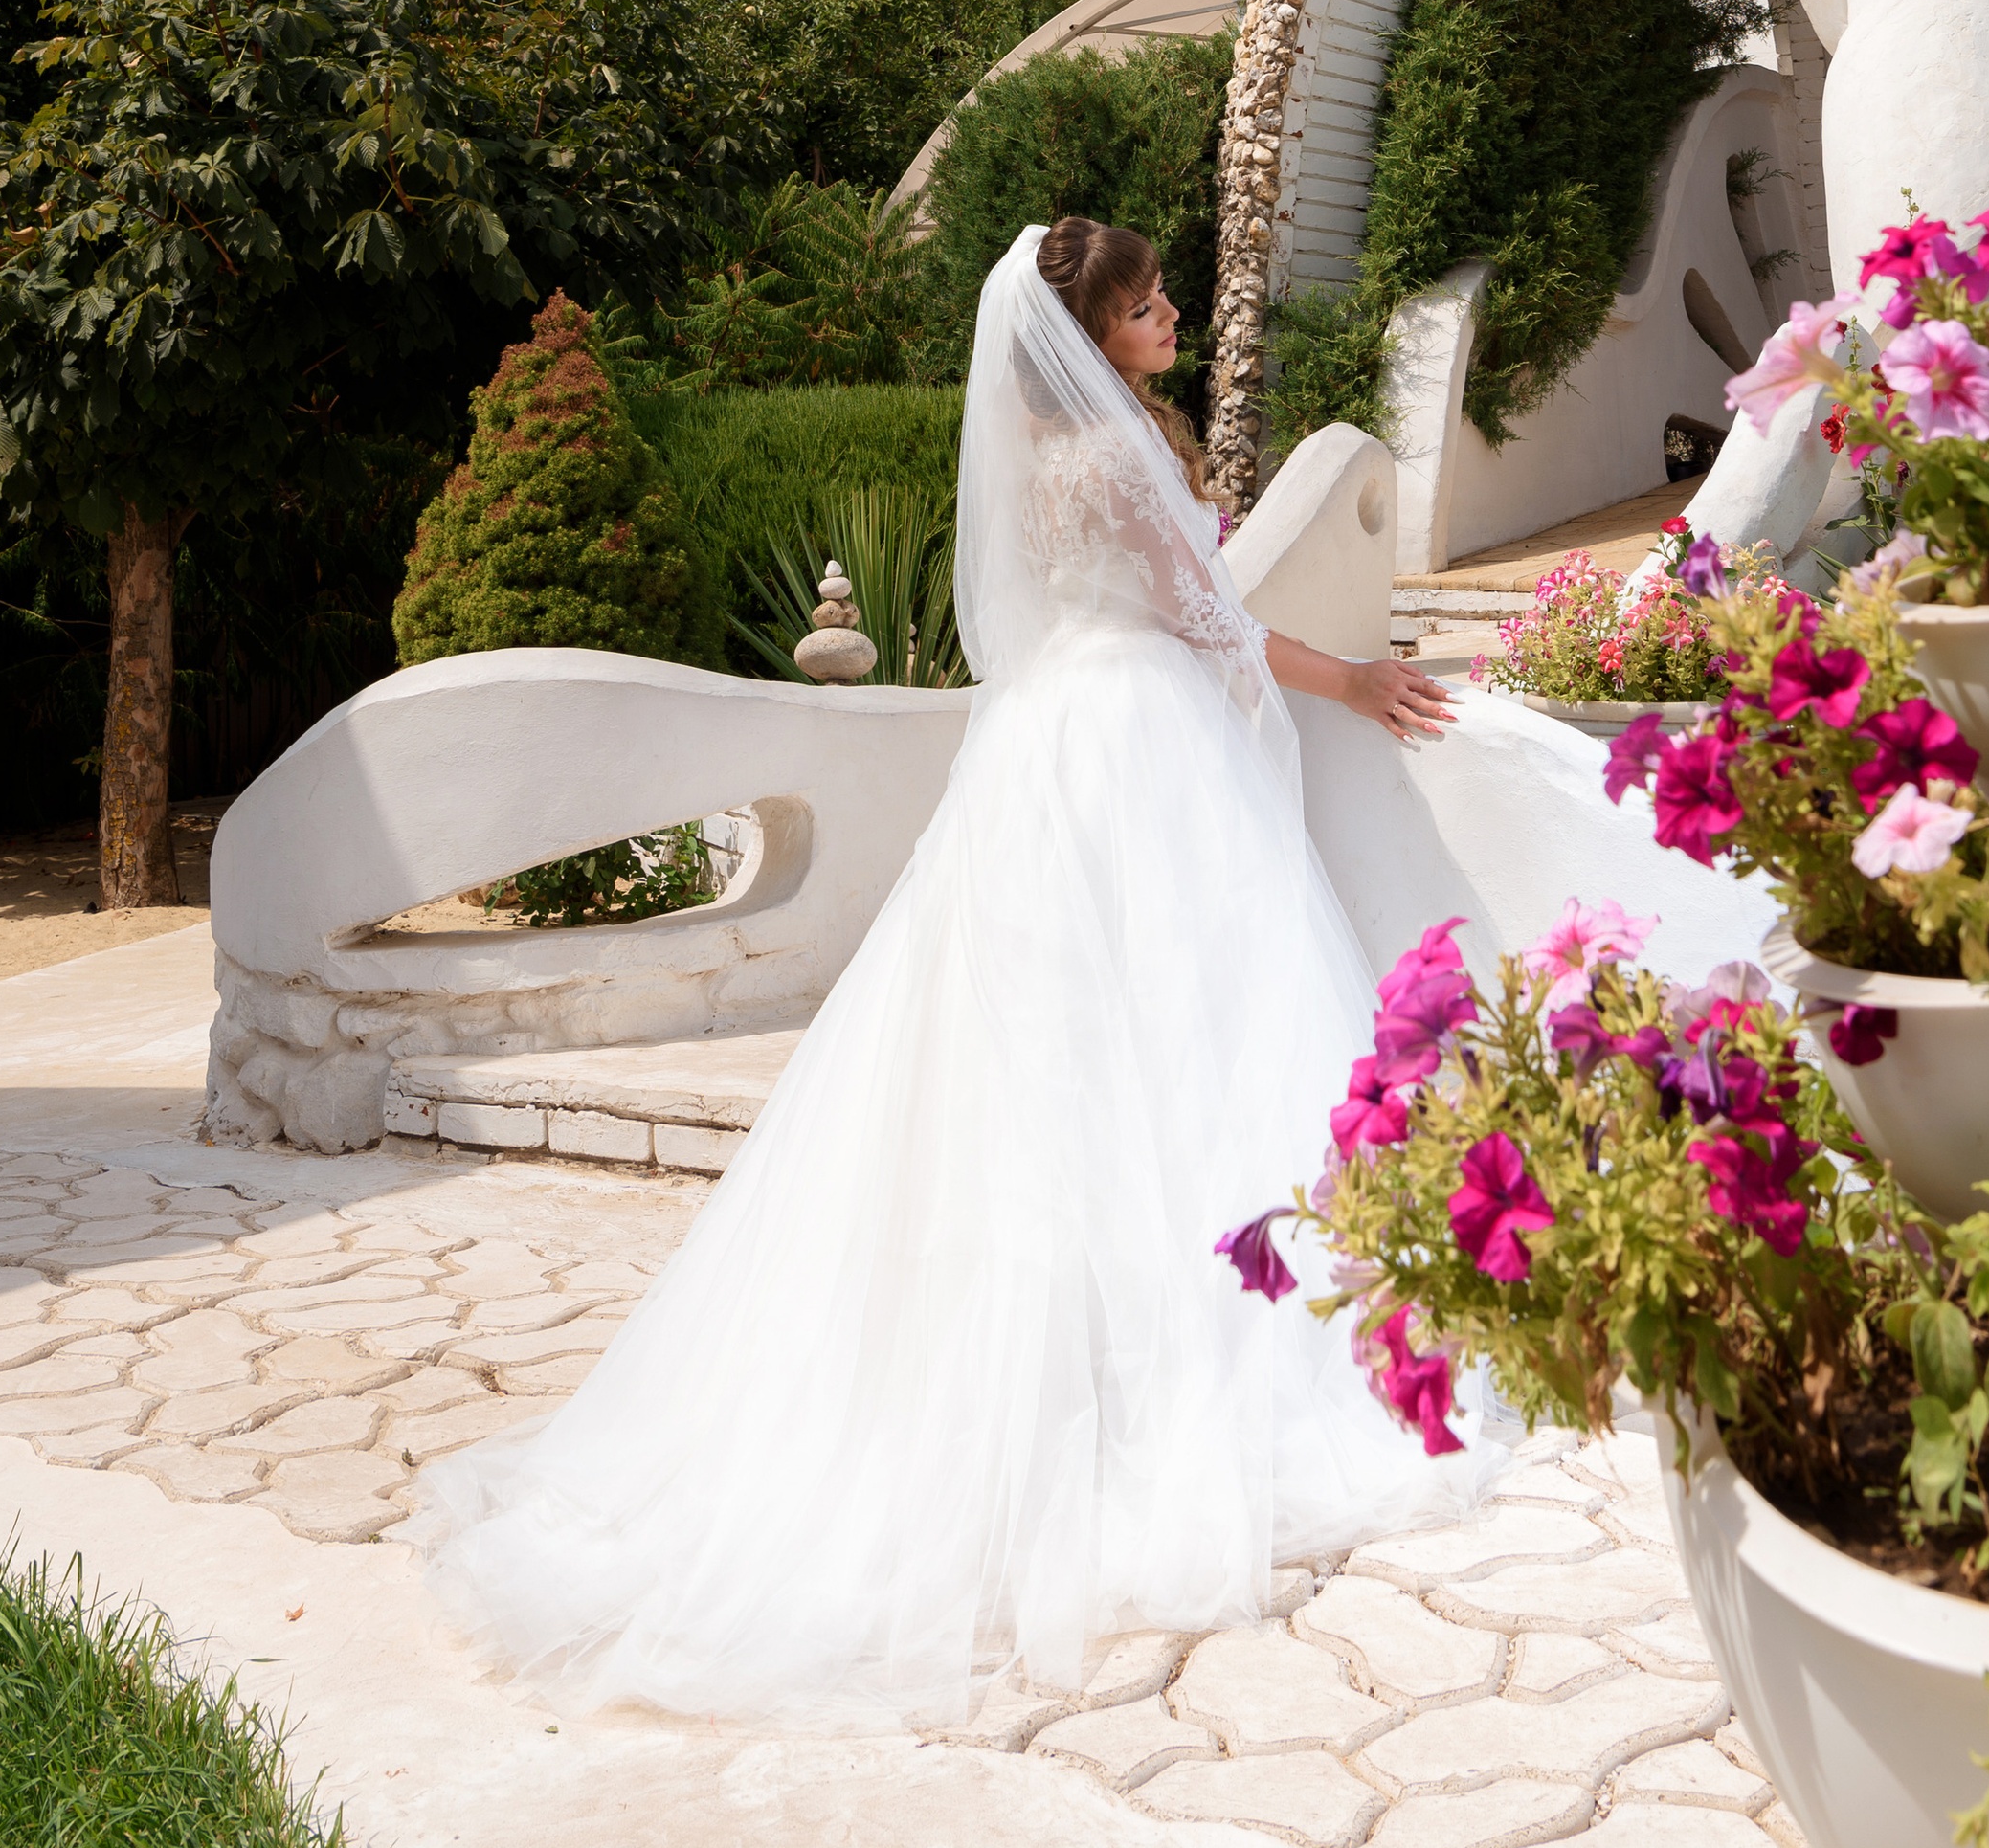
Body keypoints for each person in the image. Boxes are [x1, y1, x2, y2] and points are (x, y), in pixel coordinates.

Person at [414, 217, 1505, 1728]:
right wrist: (1362, 680)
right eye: (1148, 301)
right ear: (1099, 328)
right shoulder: (1113, 461)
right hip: (1133, 748)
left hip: (1056, 749)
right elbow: (1215, 630)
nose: (1172, 311)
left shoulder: (1071, 450)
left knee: (1059, 1071)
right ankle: (1155, 1391)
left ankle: (1095, 1369)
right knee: (1177, 1052)